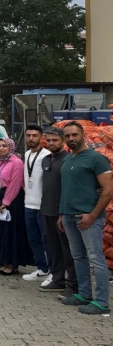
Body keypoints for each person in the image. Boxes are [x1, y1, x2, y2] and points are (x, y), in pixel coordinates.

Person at [58, 121, 113, 315]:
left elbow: (108, 190)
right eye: (68, 136)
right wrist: (62, 213)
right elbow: (67, 189)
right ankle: (83, 294)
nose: (71, 138)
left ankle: (101, 302)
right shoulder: (67, 159)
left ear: (84, 136)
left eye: (75, 135)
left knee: (96, 258)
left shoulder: (96, 159)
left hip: (88, 217)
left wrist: (93, 215)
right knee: (78, 257)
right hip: (69, 216)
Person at [0, 138, 33, 275]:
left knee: (11, 232)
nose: (0, 148)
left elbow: (15, 183)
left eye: (4, 146)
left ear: (10, 147)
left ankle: (12, 264)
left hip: (12, 200)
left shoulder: (16, 162)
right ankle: (2, 260)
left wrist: (5, 203)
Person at [39, 127, 78, 295]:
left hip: (62, 213)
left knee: (67, 250)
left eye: (55, 140)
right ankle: (57, 279)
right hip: (46, 210)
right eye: (48, 140)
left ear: (63, 141)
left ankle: (73, 284)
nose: (51, 143)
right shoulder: (46, 160)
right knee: (52, 248)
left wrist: (63, 213)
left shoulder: (68, 160)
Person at [21, 125, 52, 282]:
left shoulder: (47, 155)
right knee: (33, 239)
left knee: (47, 240)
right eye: (28, 135)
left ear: (41, 137)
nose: (31, 139)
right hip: (28, 203)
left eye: (34, 135)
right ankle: (42, 268)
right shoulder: (26, 154)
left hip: (42, 205)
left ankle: (54, 272)